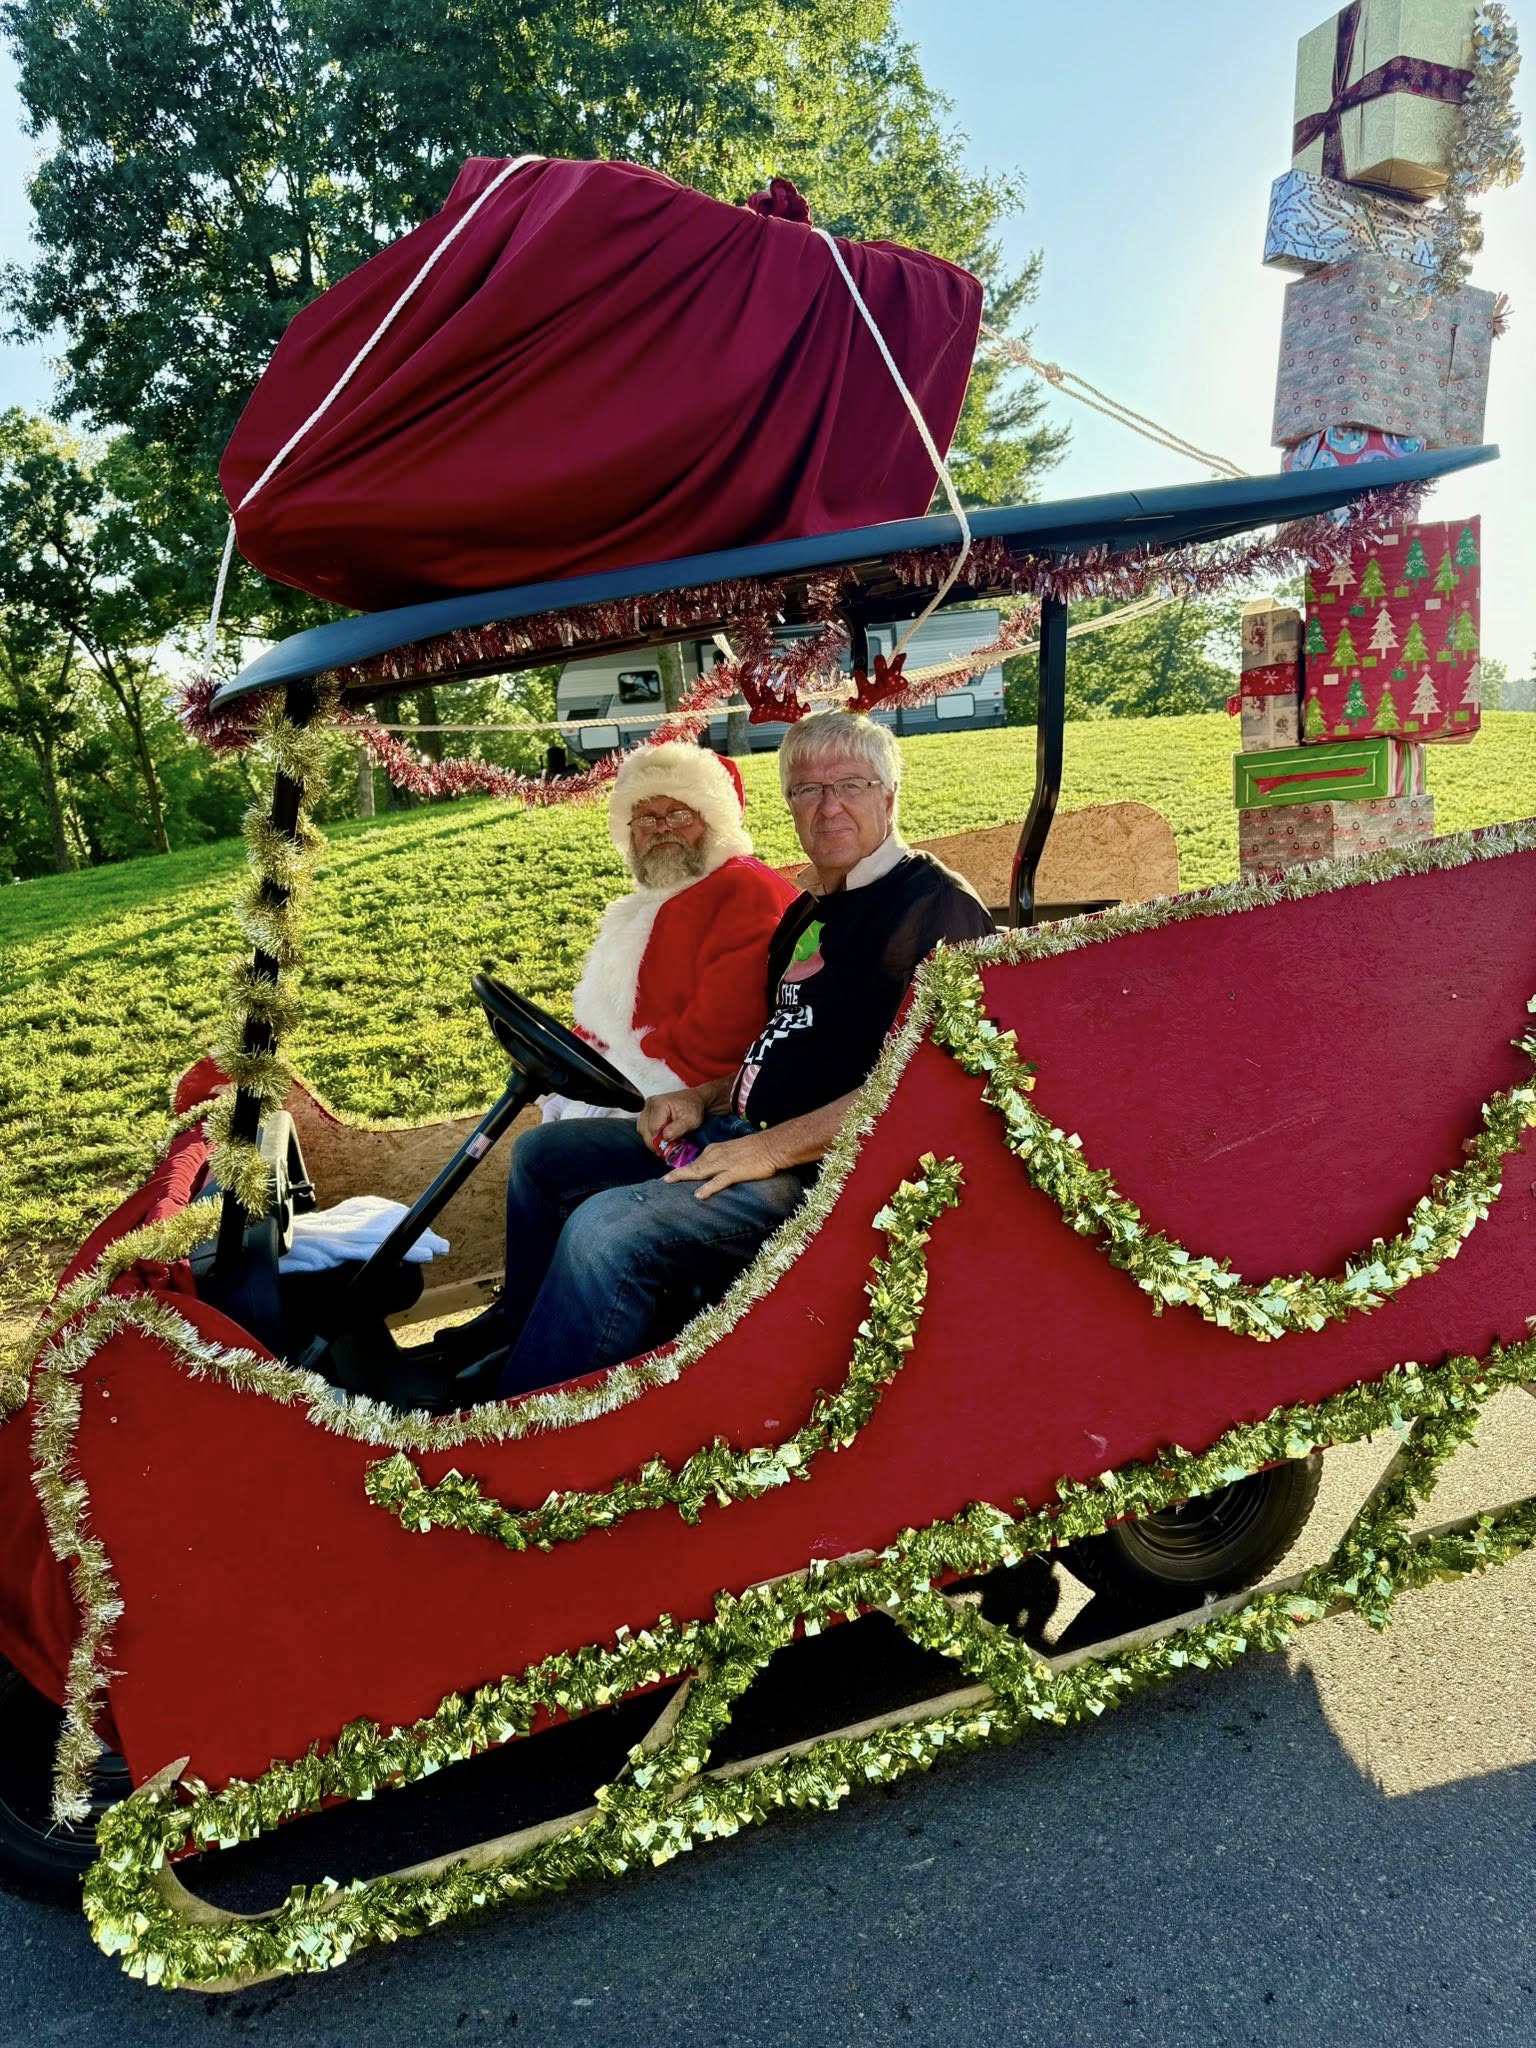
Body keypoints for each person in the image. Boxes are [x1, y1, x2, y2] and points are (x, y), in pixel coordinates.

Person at [427, 711, 993, 1407]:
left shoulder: (932, 909)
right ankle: (523, 1340)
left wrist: (771, 1149)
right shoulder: (813, 909)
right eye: (808, 790)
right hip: (748, 1137)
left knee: (606, 1230)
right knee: (545, 1157)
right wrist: (702, 1097)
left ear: (890, 795)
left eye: (851, 785)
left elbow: (934, 1079)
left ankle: (530, 1427)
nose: (829, 806)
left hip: (838, 1177)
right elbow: (783, 1048)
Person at [542, 740, 798, 1114]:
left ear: (711, 819)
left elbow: (723, 1033)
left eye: (679, 814)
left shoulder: (743, 888)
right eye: (646, 818)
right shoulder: (642, 907)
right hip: (632, 1077)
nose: (662, 829)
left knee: (546, 1145)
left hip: (694, 1098)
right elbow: (604, 1015)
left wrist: (624, 1084)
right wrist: (571, 1066)